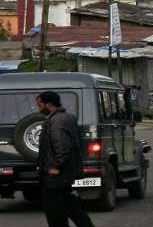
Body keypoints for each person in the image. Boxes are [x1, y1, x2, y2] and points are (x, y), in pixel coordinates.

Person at [36, 91, 95, 227]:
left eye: (40, 105)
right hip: (65, 173)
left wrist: (56, 167)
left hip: (57, 175)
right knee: (71, 207)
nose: (38, 109)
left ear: (48, 104)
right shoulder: (65, 117)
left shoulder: (57, 121)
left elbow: (62, 147)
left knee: (55, 212)